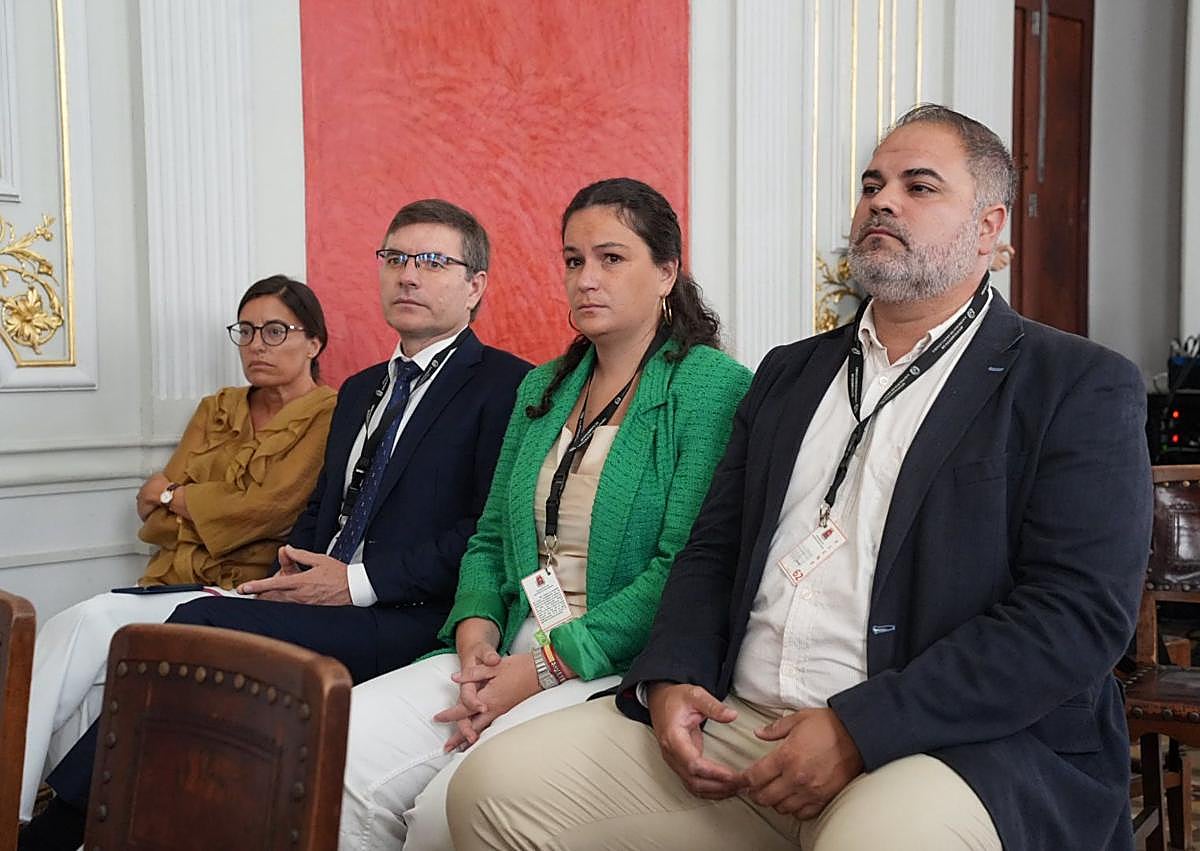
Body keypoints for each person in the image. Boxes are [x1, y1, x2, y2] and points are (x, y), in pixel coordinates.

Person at [446, 106, 1153, 851]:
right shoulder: (791, 371)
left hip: (945, 743)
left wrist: (860, 727)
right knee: (492, 792)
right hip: (740, 717)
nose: (882, 202)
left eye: (919, 187)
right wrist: (674, 674)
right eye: (871, 185)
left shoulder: (1074, 383)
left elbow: (1075, 613)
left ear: (989, 228)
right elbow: (713, 549)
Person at [19, 200, 532, 851]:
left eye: (432, 261)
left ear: (475, 284)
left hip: (409, 612)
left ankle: (63, 828)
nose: (408, 275)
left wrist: (353, 583)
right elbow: (322, 507)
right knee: (131, 630)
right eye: (395, 258)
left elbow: (483, 532)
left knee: (196, 625)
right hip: (316, 594)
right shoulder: (362, 388)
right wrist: (290, 568)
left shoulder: (508, 385)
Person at [337, 177, 753, 850]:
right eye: (573, 260)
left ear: (667, 271)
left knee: (446, 809)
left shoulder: (710, 386)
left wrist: (538, 669)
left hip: (608, 661)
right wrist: (475, 634)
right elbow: (490, 538)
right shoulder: (545, 385)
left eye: (611, 258)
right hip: (505, 643)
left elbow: (683, 569)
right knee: (340, 745)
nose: (586, 279)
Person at [19, 275, 336, 822]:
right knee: (95, 677)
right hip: (168, 579)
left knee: (82, 623)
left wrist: (178, 497)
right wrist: (196, 504)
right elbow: (153, 511)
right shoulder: (219, 407)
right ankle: (67, 817)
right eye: (246, 331)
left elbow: (270, 509)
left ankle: (13, 799)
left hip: (244, 591)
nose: (257, 345)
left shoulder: (331, 414)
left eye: (275, 331)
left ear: (314, 342)